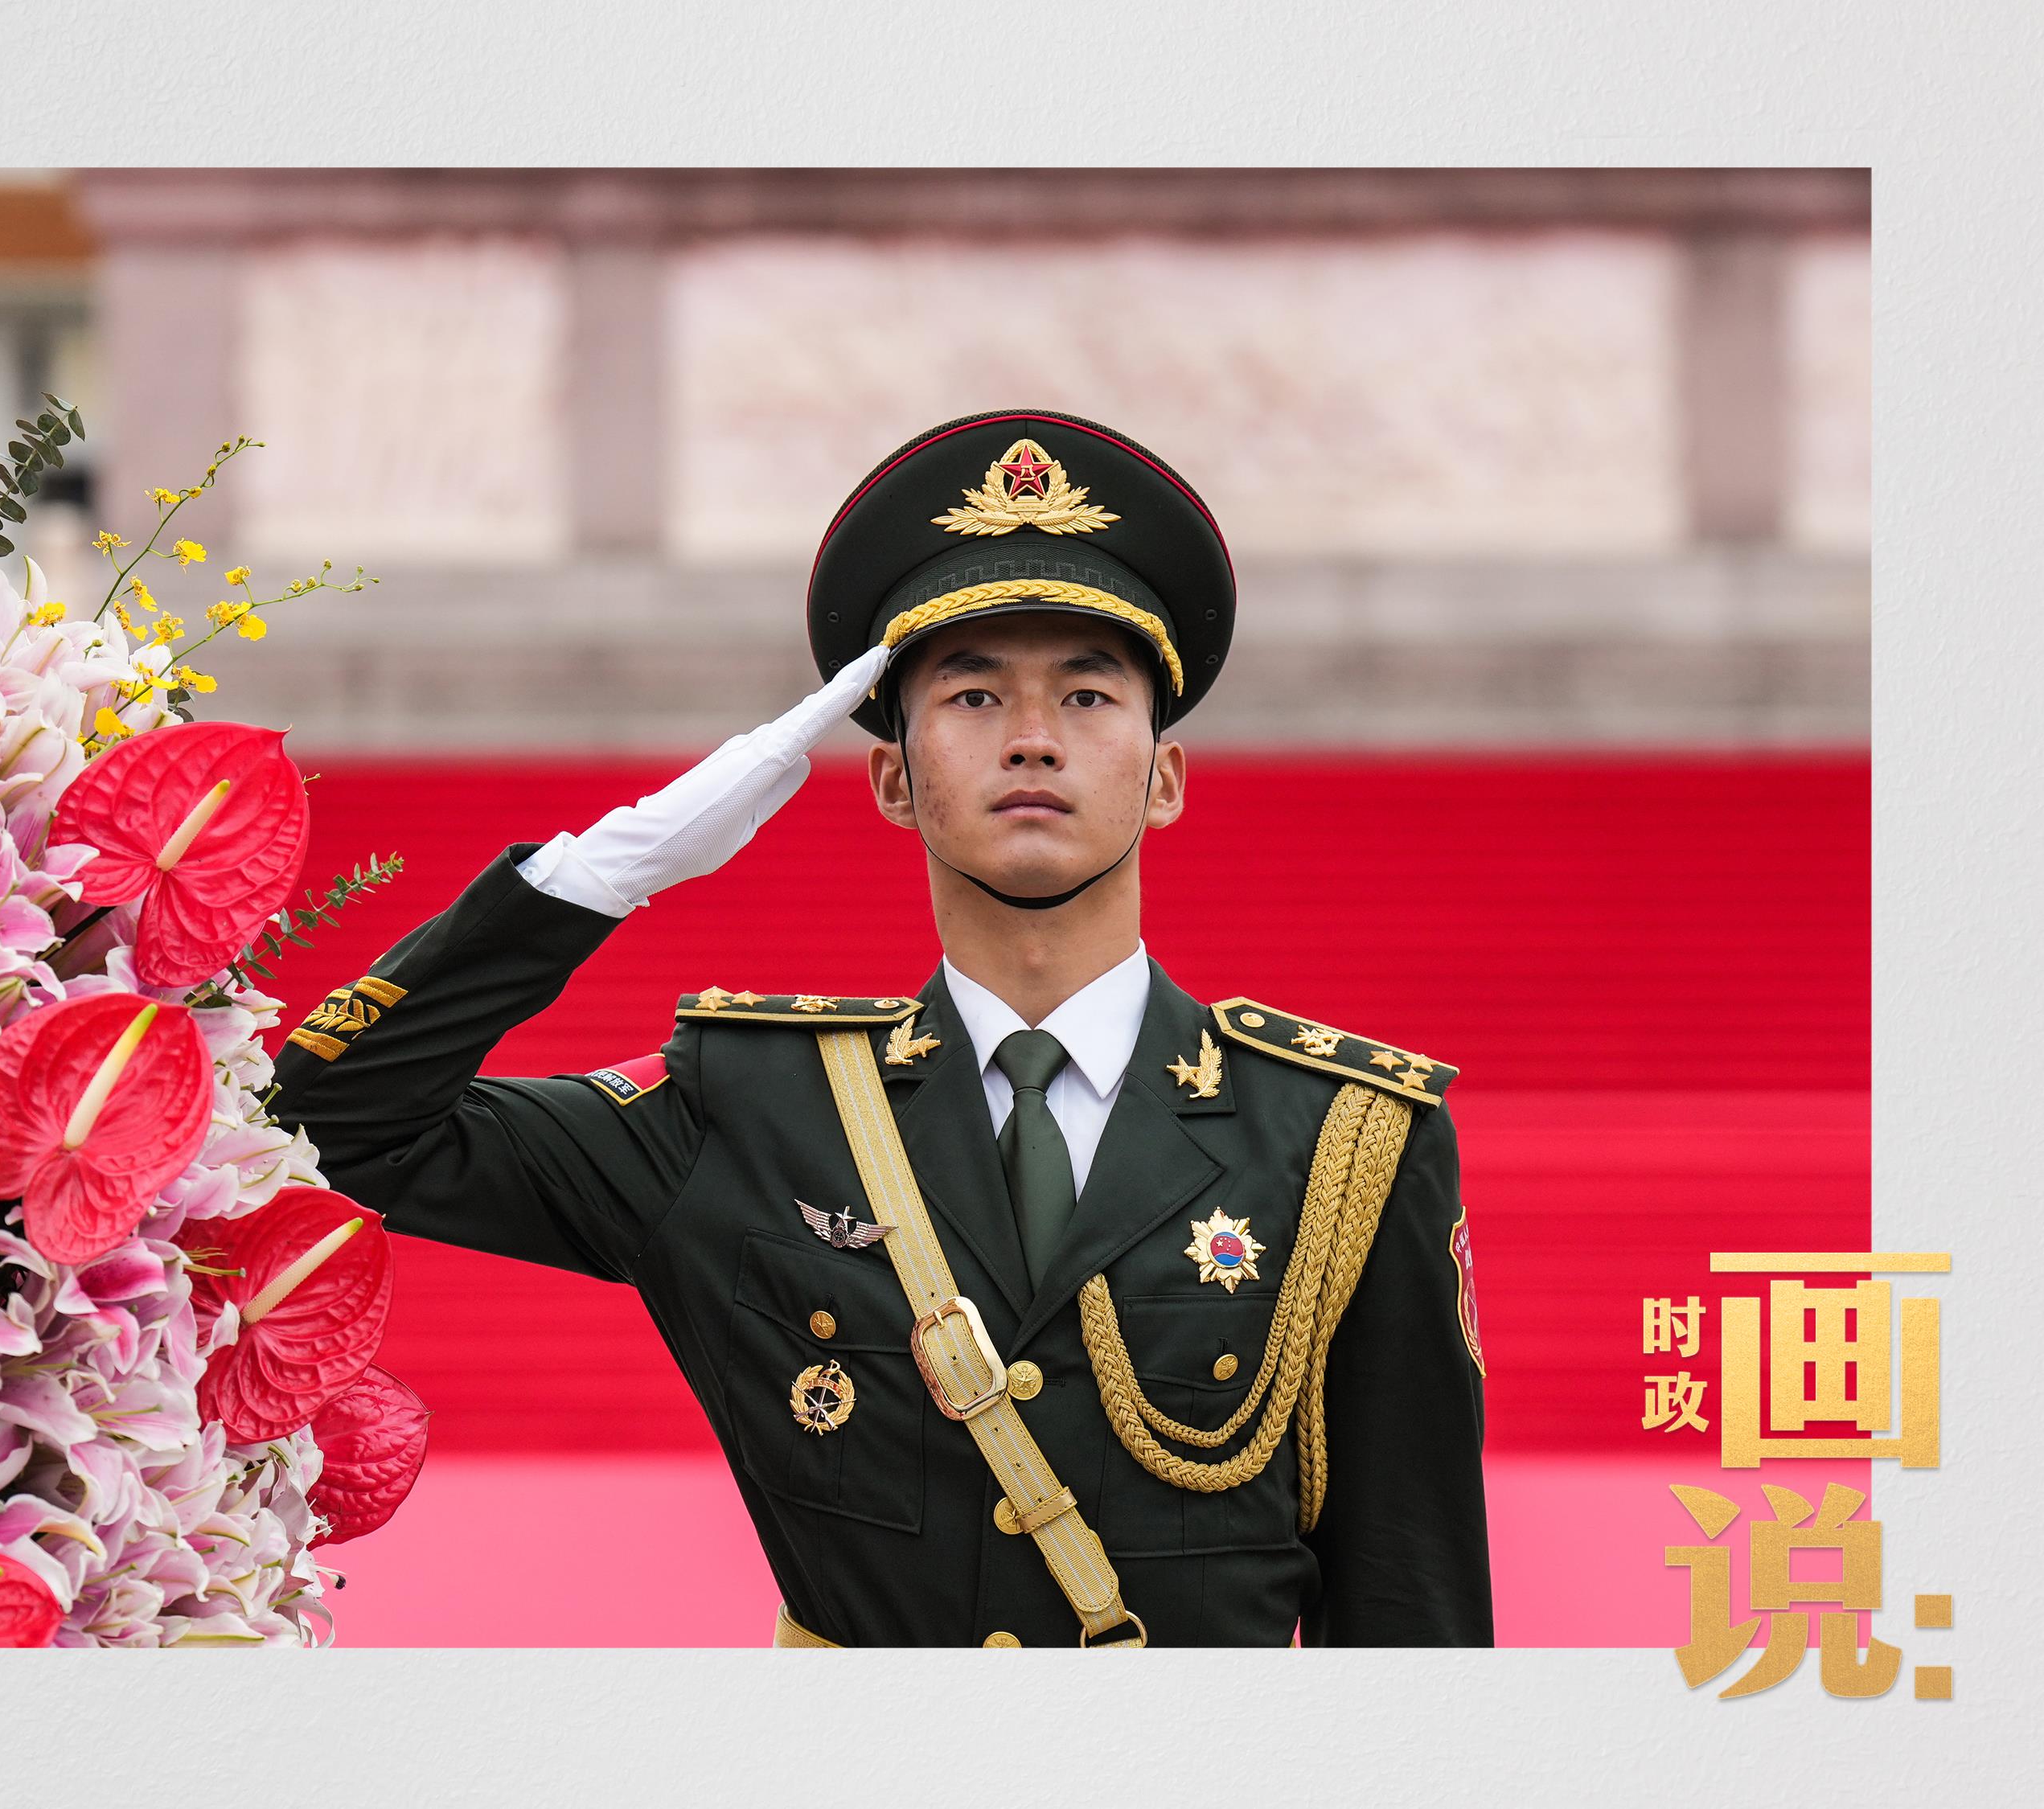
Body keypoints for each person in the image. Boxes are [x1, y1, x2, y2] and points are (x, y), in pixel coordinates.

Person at [270, 410, 1492, 1647]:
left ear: (1164, 776)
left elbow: (1415, 1614)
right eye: (973, 694)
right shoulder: (751, 1108)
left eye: (1086, 693)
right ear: (893, 779)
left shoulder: (1340, 1136)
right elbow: (336, 1131)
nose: (1032, 737)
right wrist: (597, 876)